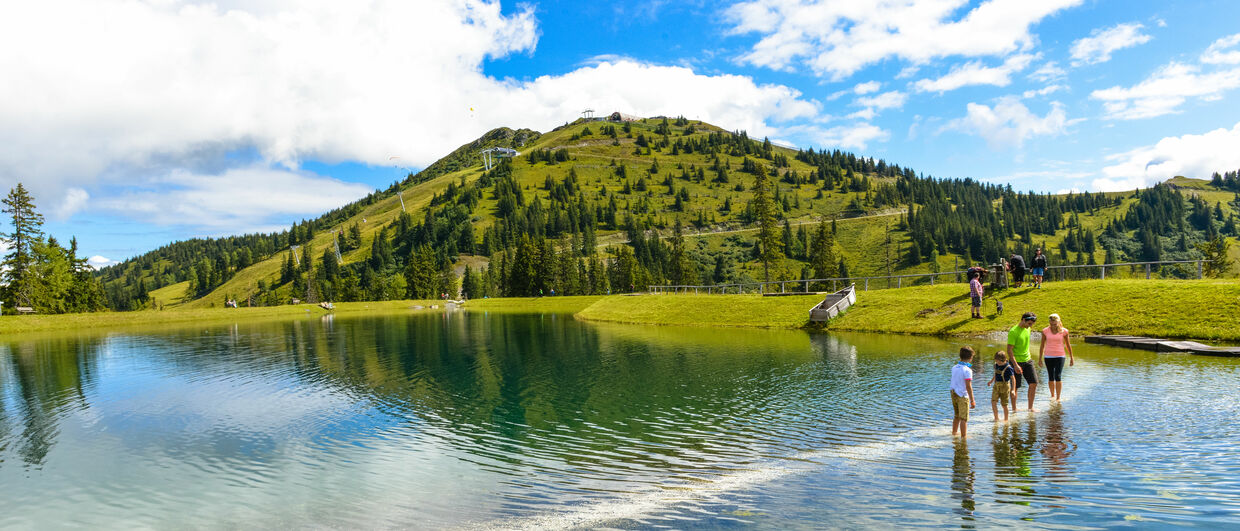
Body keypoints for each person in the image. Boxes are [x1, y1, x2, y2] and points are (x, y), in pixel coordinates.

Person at [1006, 312, 1039, 411]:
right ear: (1023, 320)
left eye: (1032, 324)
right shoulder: (1013, 332)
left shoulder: (1028, 329)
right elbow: (1009, 350)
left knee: (1034, 383)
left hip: (1028, 360)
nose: (1030, 326)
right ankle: (1014, 409)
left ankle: (1030, 408)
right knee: (1015, 387)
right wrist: (1015, 365)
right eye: (1029, 323)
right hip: (1016, 362)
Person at [1038, 313, 1075, 401]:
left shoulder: (1064, 331)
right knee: (1051, 376)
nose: (1053, 326)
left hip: (1060, 356)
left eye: (1055, 324)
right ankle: (1052, 395)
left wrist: (1071, 358)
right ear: (1049, 322)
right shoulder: (1045, 331)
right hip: (1048, 356)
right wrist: (1040, 359)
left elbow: (1068, 345)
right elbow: (1042, 345)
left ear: (1058, 322)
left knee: (1058, 376)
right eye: (1051, 324)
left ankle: (1058, 398)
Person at [950, 346, 977, 439]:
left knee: (957, 415)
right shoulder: (967, 370)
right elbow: (968, 387)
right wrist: (972, 400)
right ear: (970, 358)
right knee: (964, 418)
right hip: (962, 395)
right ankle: (964, 437)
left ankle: (954, 432)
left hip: (953, 393)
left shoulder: (954, 367)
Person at [987, 351, 1016, 422]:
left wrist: (1013, 390)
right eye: (997, 362)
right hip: (996, 386)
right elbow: (996, 374)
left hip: (1005, 386)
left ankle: (1006, 420)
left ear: (1004, 360)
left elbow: (1013, 379)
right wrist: (991, 381)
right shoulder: (996, 365)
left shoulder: (1009, 368)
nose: (998, 364)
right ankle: (996, 418)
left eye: (1000, 362)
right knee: (993, 402)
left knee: (1004, 405)